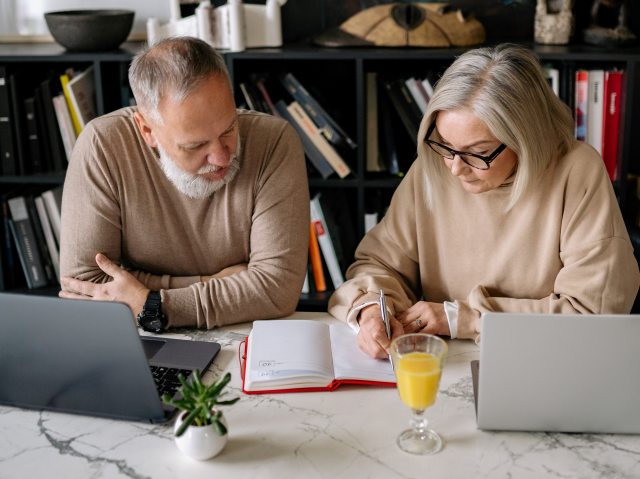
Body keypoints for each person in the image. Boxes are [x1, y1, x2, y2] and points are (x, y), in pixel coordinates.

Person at [329, 43, 640, 359]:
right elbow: (380, 263)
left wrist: (463, 319)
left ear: (527, 138)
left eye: (478, 152)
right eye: (446, 144)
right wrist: (371, 309)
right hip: (447, 361)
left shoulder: (576, 171)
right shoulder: (434, 166)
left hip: (548, 361)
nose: (455, 167)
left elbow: (594, 314)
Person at [59, 37, 309, 330]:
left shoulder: (274, 141)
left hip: (245, 334)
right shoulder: (103, 145)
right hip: (137, 336)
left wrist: (149, 302)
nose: (220, 158)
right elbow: (83, 287)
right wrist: (212, 283)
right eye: (196, 145)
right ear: (147, 130)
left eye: (229, 129)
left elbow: (277, 289)